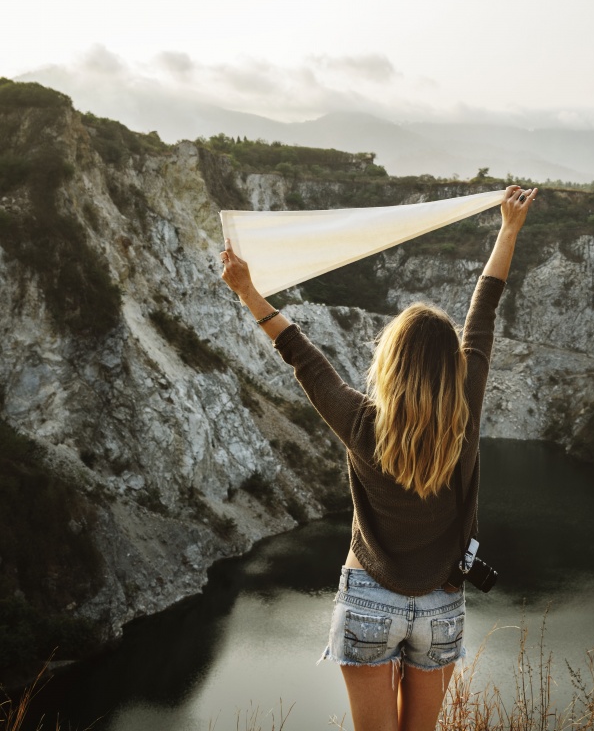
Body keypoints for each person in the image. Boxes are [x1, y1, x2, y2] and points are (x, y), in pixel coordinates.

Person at [220, 184, 538, 731]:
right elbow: (483, 311)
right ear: (451, 371)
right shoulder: (464, 407)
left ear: (391, 364)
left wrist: (248, 290)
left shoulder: (361, 422)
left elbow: (301, 356)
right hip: (440, 601)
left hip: (368, 597)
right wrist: (508, 229)